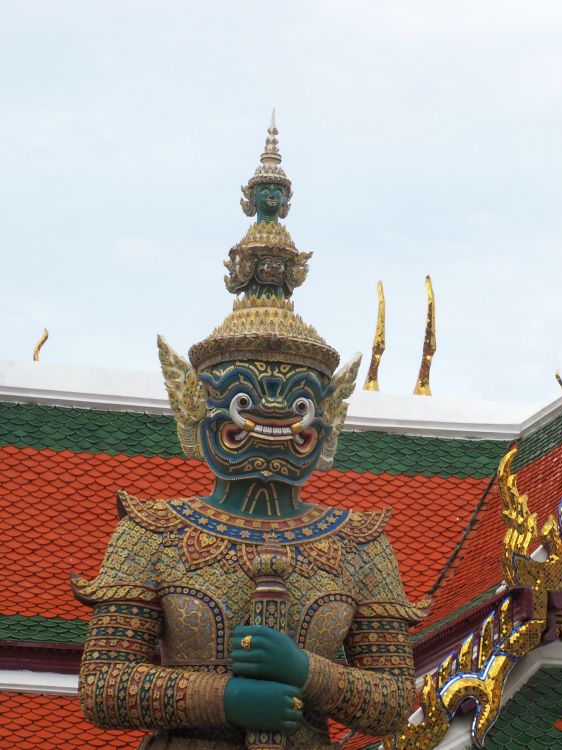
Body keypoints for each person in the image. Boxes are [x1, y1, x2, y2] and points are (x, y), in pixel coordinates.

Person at [73, 116, 422, 748]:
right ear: (195, 405)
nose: (271, 418)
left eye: (294, 400)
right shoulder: (153, 531)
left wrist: (306, 672)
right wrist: (223, 698)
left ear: (327, 413)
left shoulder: (360, 546)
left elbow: (396, 700)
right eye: (244, 396)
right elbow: (104, 685)